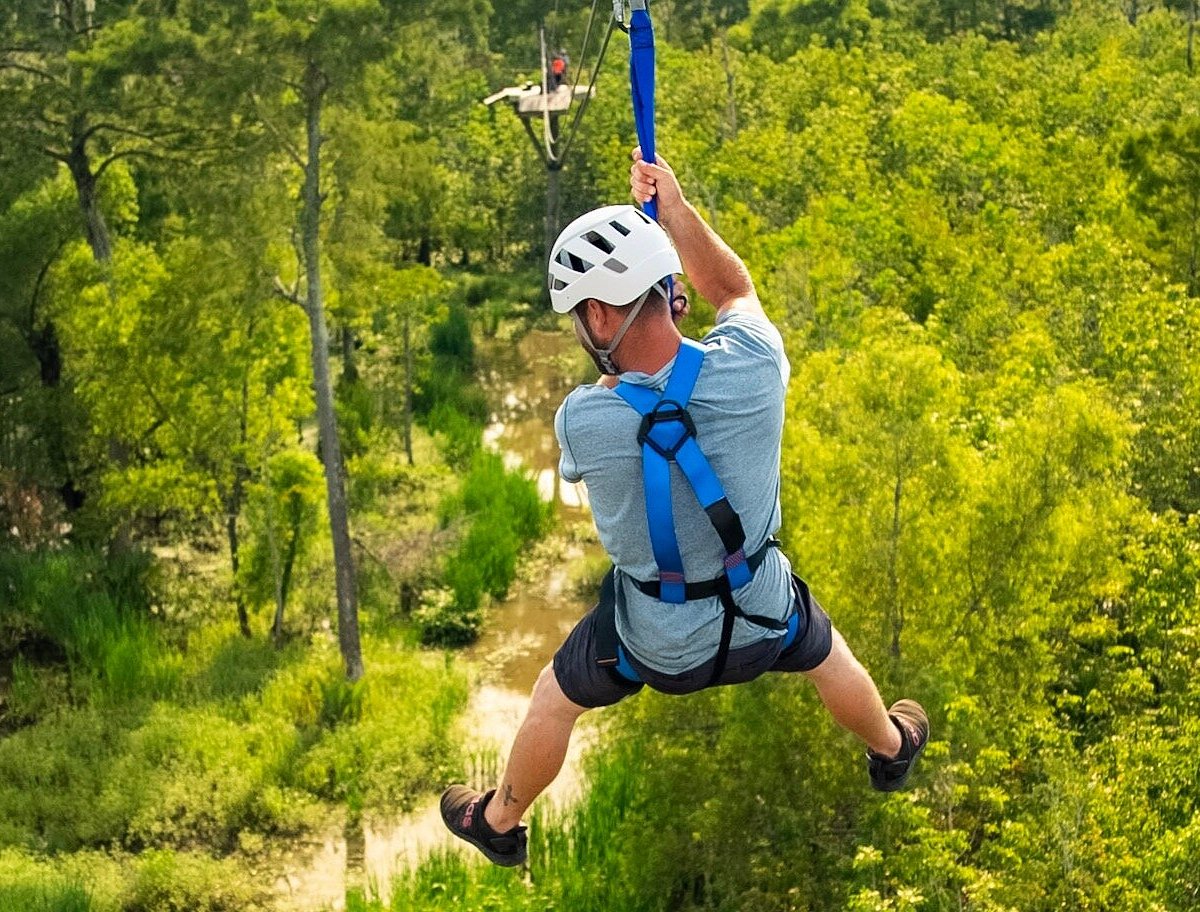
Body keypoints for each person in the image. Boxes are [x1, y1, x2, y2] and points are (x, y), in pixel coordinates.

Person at [440, 149, 929, 867]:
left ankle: (500, 821)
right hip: (762, 617)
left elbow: (622, 400)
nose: (580, 330)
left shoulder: (581, 421)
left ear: (602, 313)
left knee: (554, 696)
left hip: (656, 647)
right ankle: (891, 749)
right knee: (825, 652)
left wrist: (647, 314)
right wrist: (671, 207)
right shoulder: (756, 367)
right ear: (669, 292)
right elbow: (734, 289)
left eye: (582, 316)